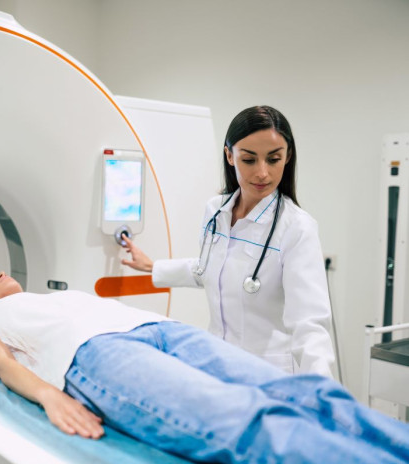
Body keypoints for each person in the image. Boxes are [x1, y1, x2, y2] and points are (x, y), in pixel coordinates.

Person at [0, 272, 409, 464]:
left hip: (162, 329)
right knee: (250, 419)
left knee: (309, 393)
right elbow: (3, 365)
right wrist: (50, 395)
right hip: (98, 355)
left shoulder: (52, 296)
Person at [121, 105, 335, 377]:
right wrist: (154, 266)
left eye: (273, 159)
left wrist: (322, 389)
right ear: (229, 155)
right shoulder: (216, 211)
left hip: (268, 375)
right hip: (217, 364)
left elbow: (310, 324)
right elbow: (211, 269)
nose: (262, 173)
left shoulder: (297, 228)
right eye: (249, 159)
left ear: (287, 157)